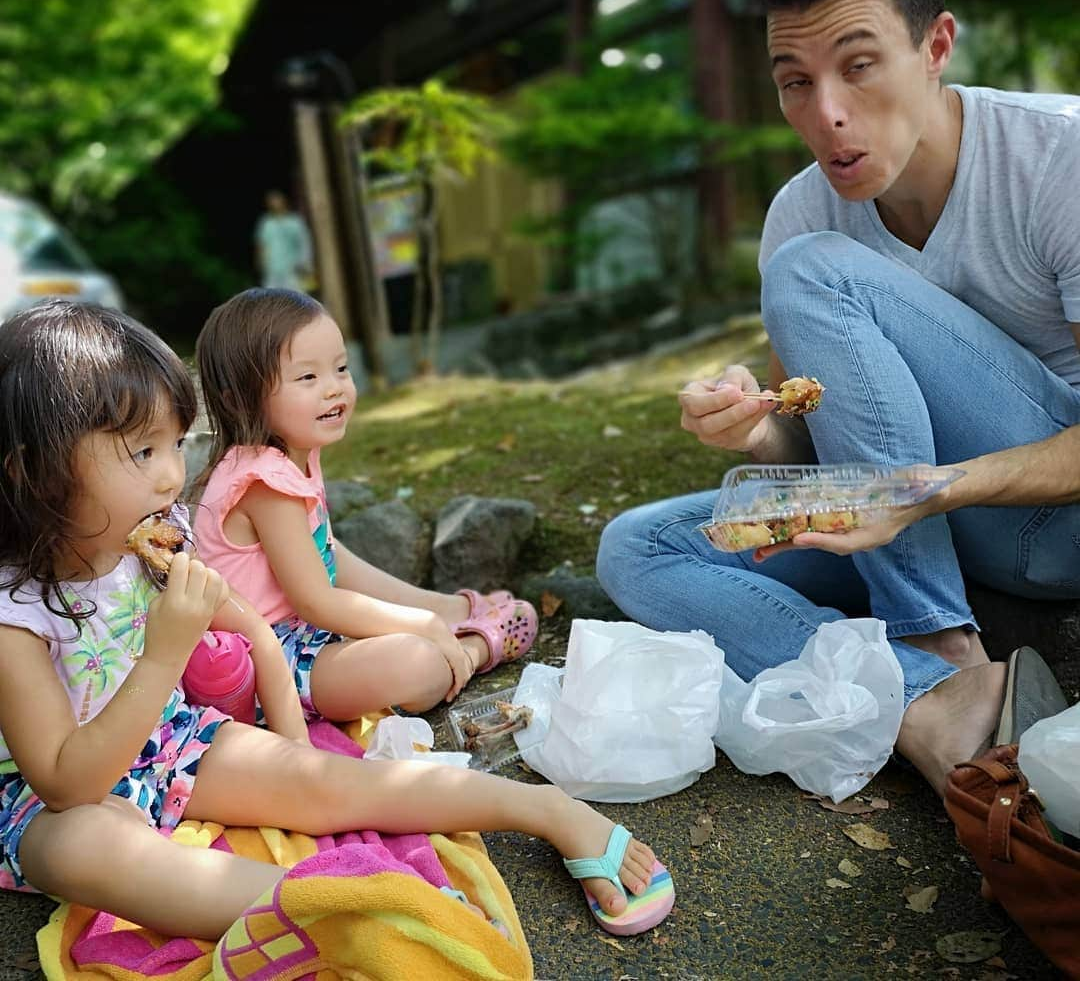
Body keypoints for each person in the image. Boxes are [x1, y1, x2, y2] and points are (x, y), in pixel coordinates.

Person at [0, 300, 673, 940]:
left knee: (331, 786)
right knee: (88, 847)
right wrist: (162, 656)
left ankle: (547, 810)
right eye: (142, 452)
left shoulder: (147, 540)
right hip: (48, 798)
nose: (173, 476)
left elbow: (252, 627)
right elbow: (64, 781)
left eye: (177, 444)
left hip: (168, 740)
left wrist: (294, 747)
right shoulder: (14, 612)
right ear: (33, 473)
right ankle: (346, 903)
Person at [598, 0, 1080, 796]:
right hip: (919, 520)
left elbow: (888, 484)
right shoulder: (803, 208)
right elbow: (825, 447)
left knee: (814, 272)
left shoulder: (1058, 159)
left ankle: (933, 635)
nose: (827, 116)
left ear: (935, 46)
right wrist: (754, 436)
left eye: (859, 68)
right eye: (794, 81)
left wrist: (925, 490)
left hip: (1052, 523)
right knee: (640, 549)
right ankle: (931, 698)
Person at [193, 287, 539, 719]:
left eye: (341, 369)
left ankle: (454, 621)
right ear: (239, 397)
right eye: (307, 378)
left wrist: (434, 606)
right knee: (415, 663)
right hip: (262, 663)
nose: (334, 389)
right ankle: (469, 652)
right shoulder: (264, 481)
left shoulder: (292, 455)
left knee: (416, 637)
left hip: (305, 638)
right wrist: (422, 624)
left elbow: (328, 555)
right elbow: (316, 600)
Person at [255, 190, 315, 292]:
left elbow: (304, 243)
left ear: (284, 201)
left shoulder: (295, 222)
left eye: (276, 200)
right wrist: (261, 263)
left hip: (292, 270)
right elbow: (261, 245)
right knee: (273, 300)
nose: (274, 204)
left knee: (295, 300)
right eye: (271, 201)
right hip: (273, 270)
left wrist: (305, 264)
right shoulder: (266, 224)